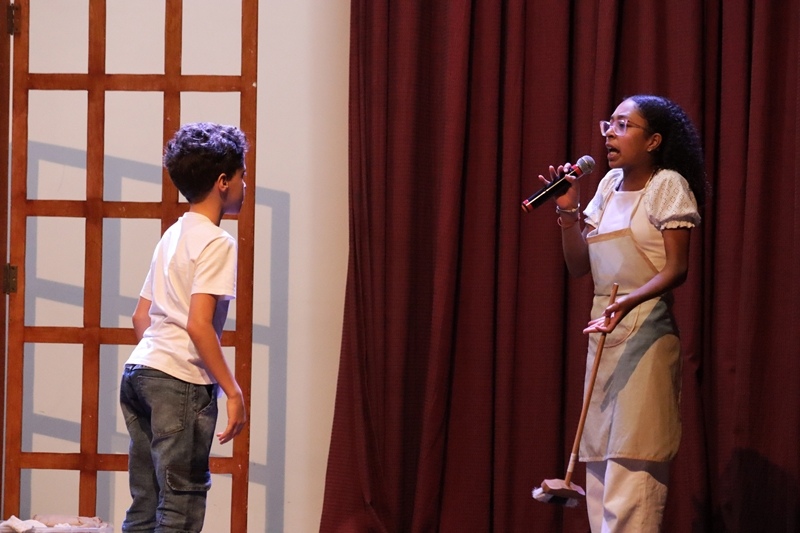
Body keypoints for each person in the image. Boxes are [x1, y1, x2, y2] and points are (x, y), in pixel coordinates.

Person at [539, 95, 707, 532]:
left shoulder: (667, 184)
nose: (610, 134)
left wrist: (628, 302)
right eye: (608, 124)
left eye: (623, 125)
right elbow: (580, 266)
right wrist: (567, 210)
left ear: (653, 140)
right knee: (599, 469)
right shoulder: (609, 183)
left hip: (645, 335)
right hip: (604, 332)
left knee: (632, 470)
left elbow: (677, 268)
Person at [119, 122, 249, 532]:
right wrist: (232, 390)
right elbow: (198, 325)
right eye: (242, 175)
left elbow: (141, 316)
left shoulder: (172, 235)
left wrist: (159, 362)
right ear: (223, 182)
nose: (246, 184)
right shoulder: (217, 241)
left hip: (139, 371)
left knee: (146, 502)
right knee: (181, 504)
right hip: (180, 382)